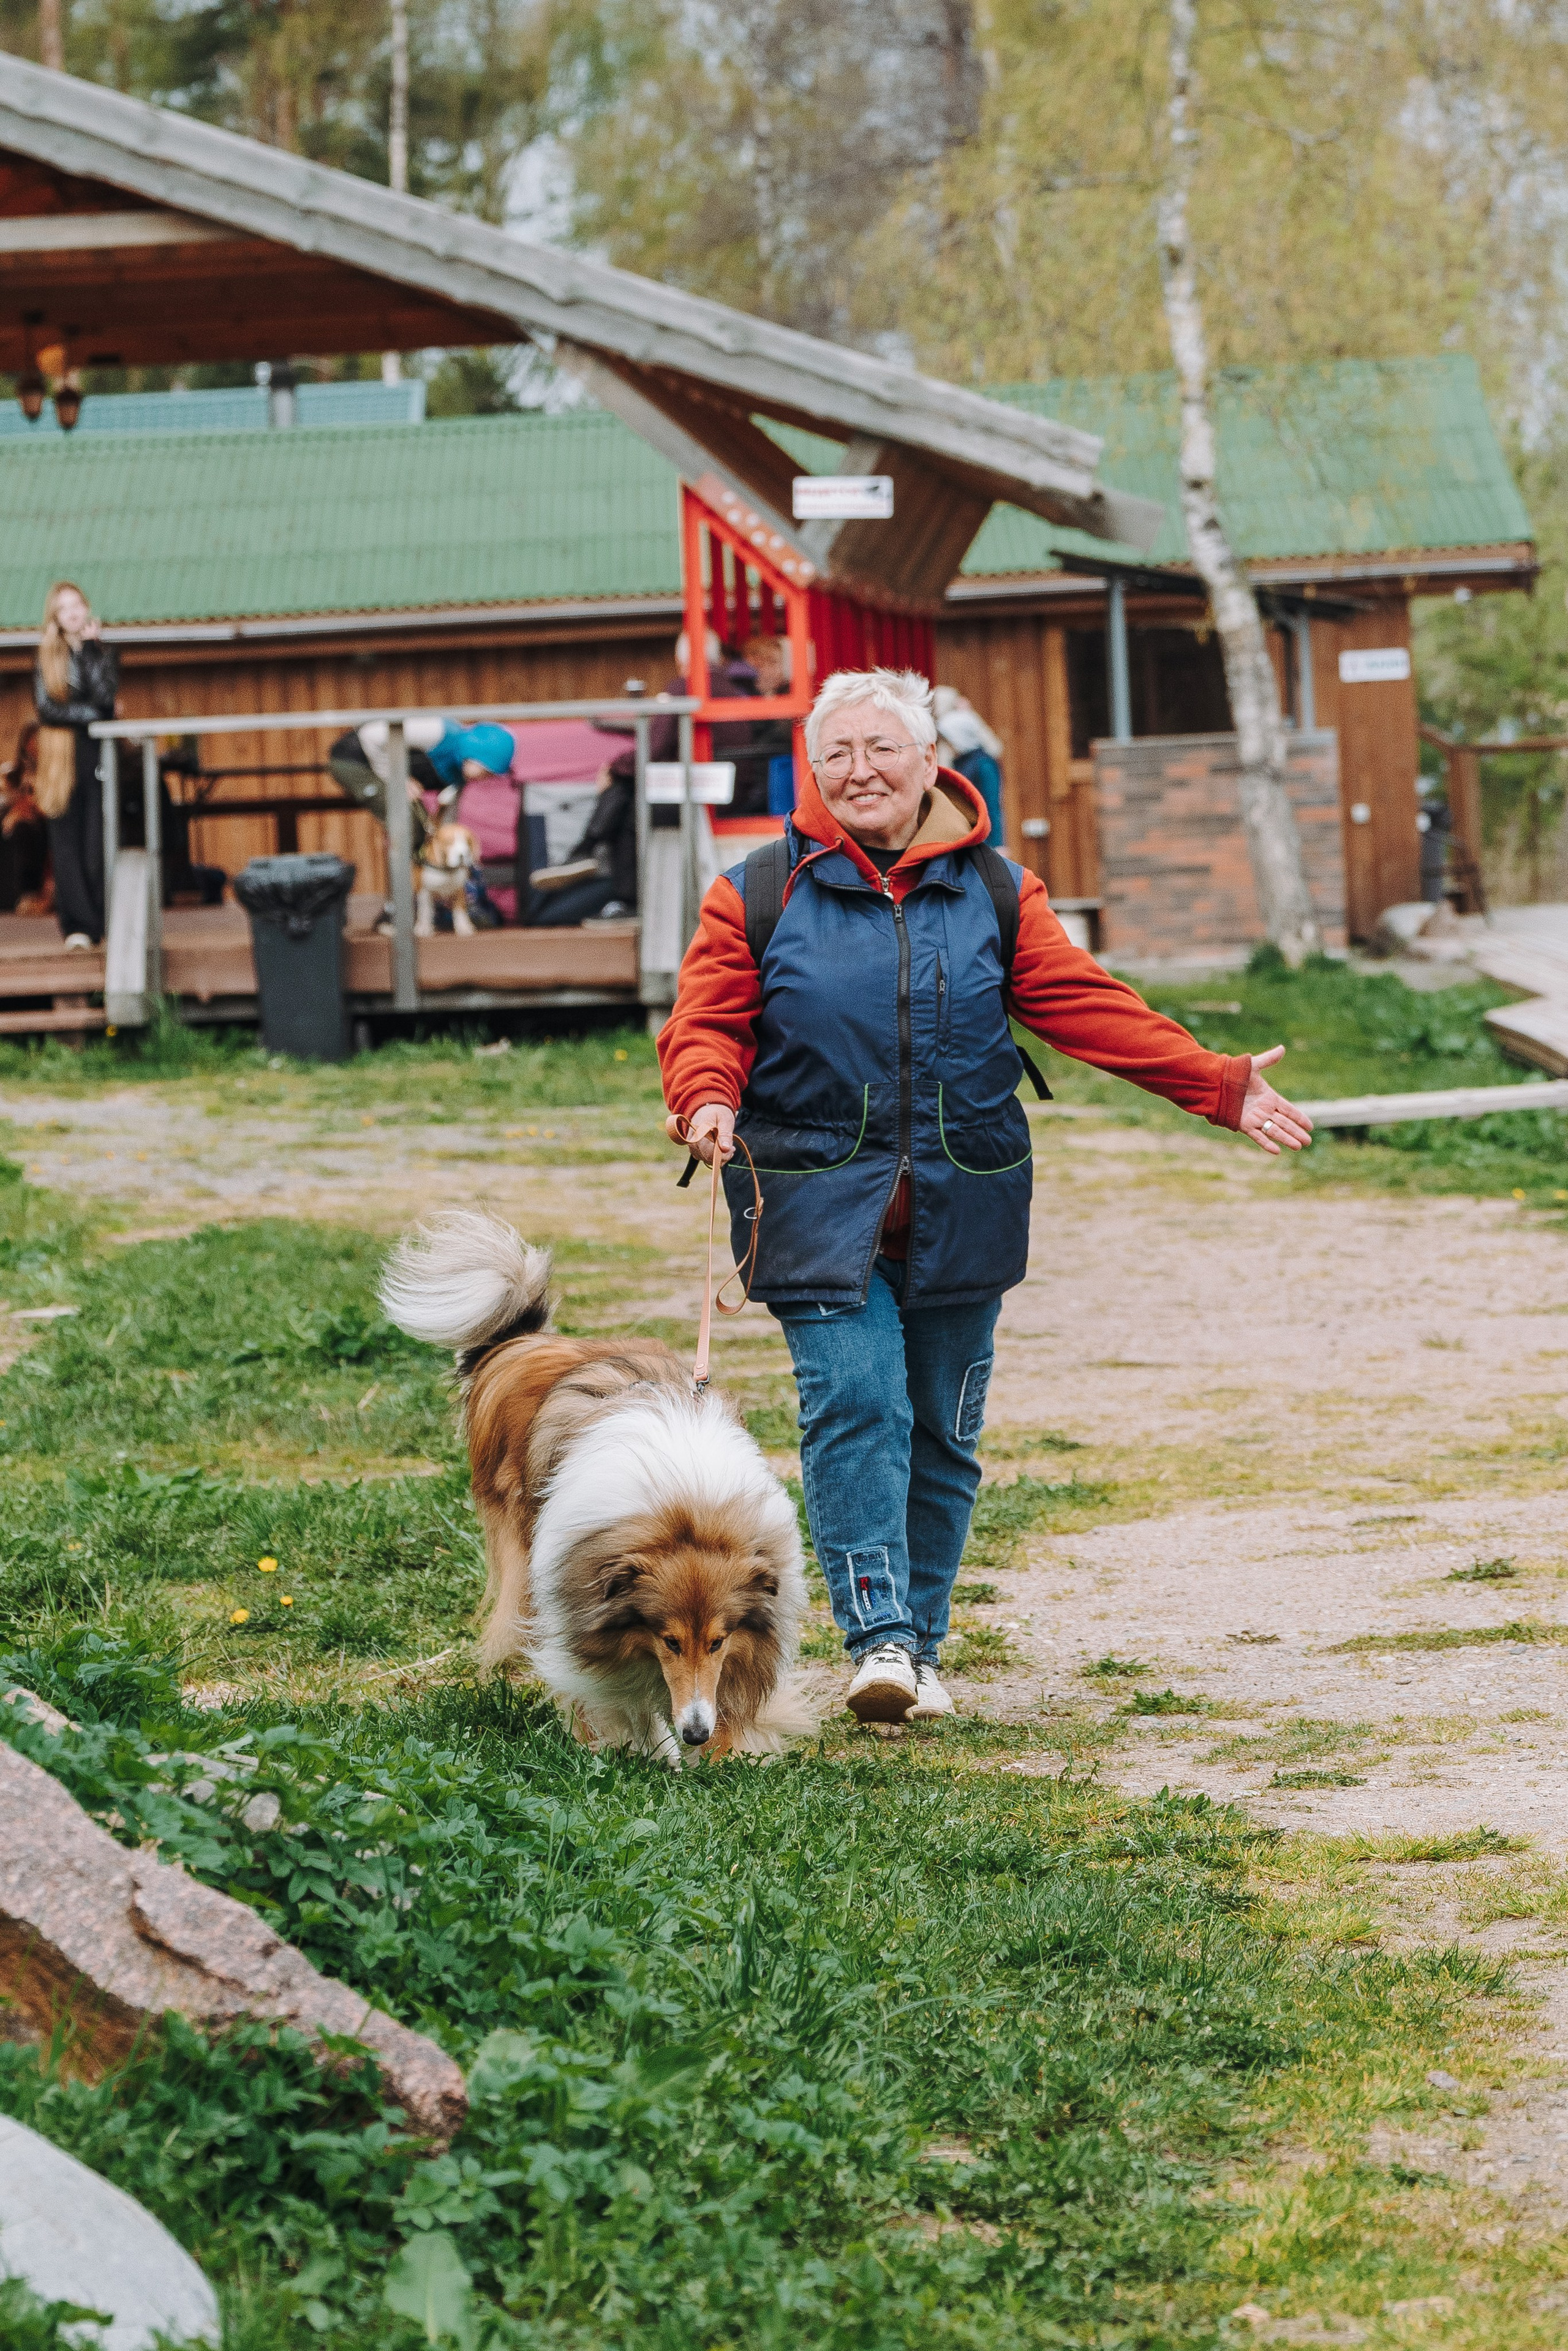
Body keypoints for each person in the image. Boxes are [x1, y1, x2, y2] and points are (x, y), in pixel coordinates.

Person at [657, 666, 1313, 1729]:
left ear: (930, 762)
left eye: (882, 748)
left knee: (942, 1431)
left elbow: (1089, 1008)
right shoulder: (759, 891)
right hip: (815, 1202)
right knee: (856, 1402)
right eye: (838, 753)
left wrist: (1219, 1083)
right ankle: (876, 1635)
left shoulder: (998, 889)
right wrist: (703, 1098)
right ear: (812, 769)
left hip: (968, 1205)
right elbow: (707, 1022)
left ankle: (917, 1642)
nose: (860, 770)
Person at [32, 580, 119, 948]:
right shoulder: (46, 656)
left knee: (95, 841)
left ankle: (101, 920)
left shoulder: (102, 653)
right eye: (64, 607)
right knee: (65, 841)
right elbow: (47, 709)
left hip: (94, 755)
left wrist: (90, 652)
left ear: (85, 608)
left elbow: (107, 699)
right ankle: (78, 927)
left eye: (77, 604)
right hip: (59, 759)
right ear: (55, 616)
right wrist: (90, 716)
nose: (72, 611)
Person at [934, 684, 1006, 847]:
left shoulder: (984, 764)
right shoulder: (959, 760)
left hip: (986, 844)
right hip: (982, 763)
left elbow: (992, 807)